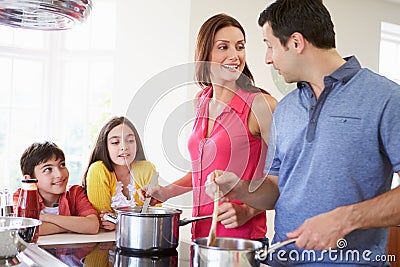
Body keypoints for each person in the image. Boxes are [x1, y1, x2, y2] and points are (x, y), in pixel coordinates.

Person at [206, 0, 400, 266]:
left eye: (270, 45)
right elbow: (276, 188)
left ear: (296, 43)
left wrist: (346, 219)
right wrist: (239, 189)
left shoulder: (386, 99)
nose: (267, 58)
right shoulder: (286, 109)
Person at [139, 13, 277, 241]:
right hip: (201, 238)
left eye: (240, 47)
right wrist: (166, 191)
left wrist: (249, 210)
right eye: (223, 47)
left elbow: (288, 176)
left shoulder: (260, 105)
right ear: (205, 54)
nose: (234, 56)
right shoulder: (202, 100)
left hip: (242, 242)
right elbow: (201, 172)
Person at [82, 116, 158, 230]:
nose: (124, 147)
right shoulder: (98, 170)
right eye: (115, 142)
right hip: (104, 241)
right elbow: (102, 220)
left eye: (130, 141)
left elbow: (154, 216)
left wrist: (120, 223)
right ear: (105, 147)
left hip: (143, 240)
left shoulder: (147, 169)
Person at [13, 141, 99, 235]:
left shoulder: (75, 193)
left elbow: (92, 226)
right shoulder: (23, 196)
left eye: (62, 165)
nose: (59, 174)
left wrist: (46, 218)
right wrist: (72, 226)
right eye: (48, 169)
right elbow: (26, 229)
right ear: (29, 179)